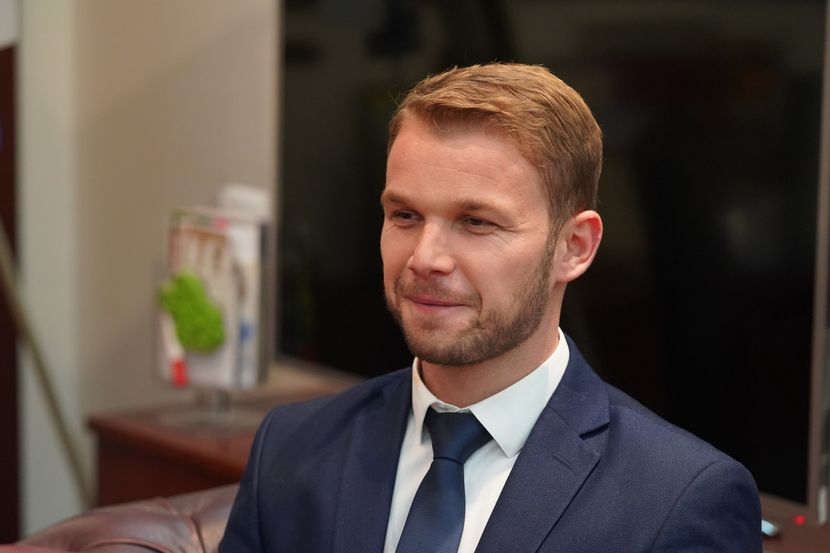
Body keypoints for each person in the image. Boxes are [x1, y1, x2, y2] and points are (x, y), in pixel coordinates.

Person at [219, 63, 761, 553]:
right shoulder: (291, 447)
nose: (425, 258)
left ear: (574, 247)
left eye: (476, 222)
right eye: (405, 215)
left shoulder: (679, 499)